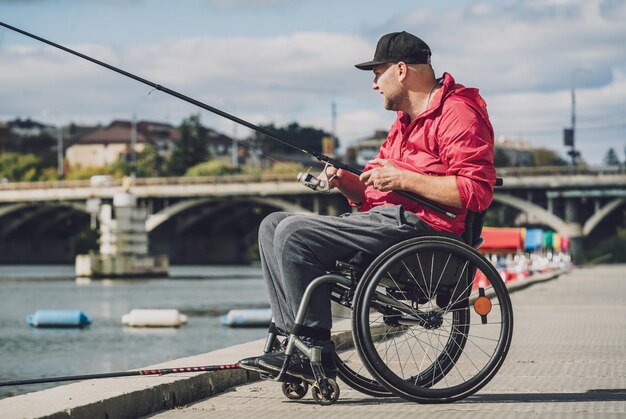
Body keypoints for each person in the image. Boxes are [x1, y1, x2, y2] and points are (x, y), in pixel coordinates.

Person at [239, 31, 496, 382]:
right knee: (272, 224)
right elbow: (374, 192)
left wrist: (402, 178)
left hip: (424, 231)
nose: (375, 84)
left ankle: (314, 348)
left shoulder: (457, 114)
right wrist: (347, 182)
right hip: (388, 222)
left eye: (378, 73)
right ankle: (291, 343)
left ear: (401, 70)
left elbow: (476, 191)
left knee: (295, 233)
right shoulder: (403, 124)